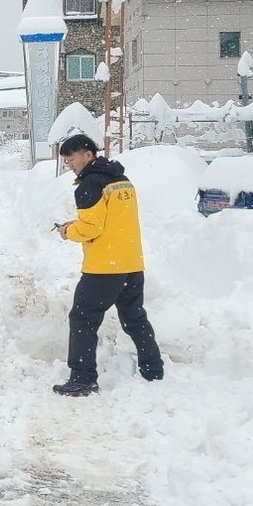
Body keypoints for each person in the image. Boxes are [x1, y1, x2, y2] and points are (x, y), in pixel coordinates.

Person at [52, 134, 164, 396]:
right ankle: (153, 367)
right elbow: (112, 221)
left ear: (88, 155)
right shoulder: (122, 181)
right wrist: (76, 225)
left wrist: (68, 232)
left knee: (82, 319)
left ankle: (82, 377)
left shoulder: (90, 184)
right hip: (131, 263)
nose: (68, 161)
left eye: (72, 155)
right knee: (134, 317)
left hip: (103, 268)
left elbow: (91, 227)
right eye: (65, 157)